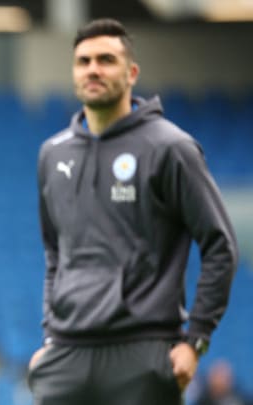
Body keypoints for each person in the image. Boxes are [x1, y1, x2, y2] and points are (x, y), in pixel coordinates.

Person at [28, 18, 238, 405]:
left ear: (132, 73)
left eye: (106, 59)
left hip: (142, 353)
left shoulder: (171, 148)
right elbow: (55, 255)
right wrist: (50, 339)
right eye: (84, 61)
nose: (93, 69)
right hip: (67, 355)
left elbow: (220, 245)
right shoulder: (52, 153)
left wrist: (195, 341)